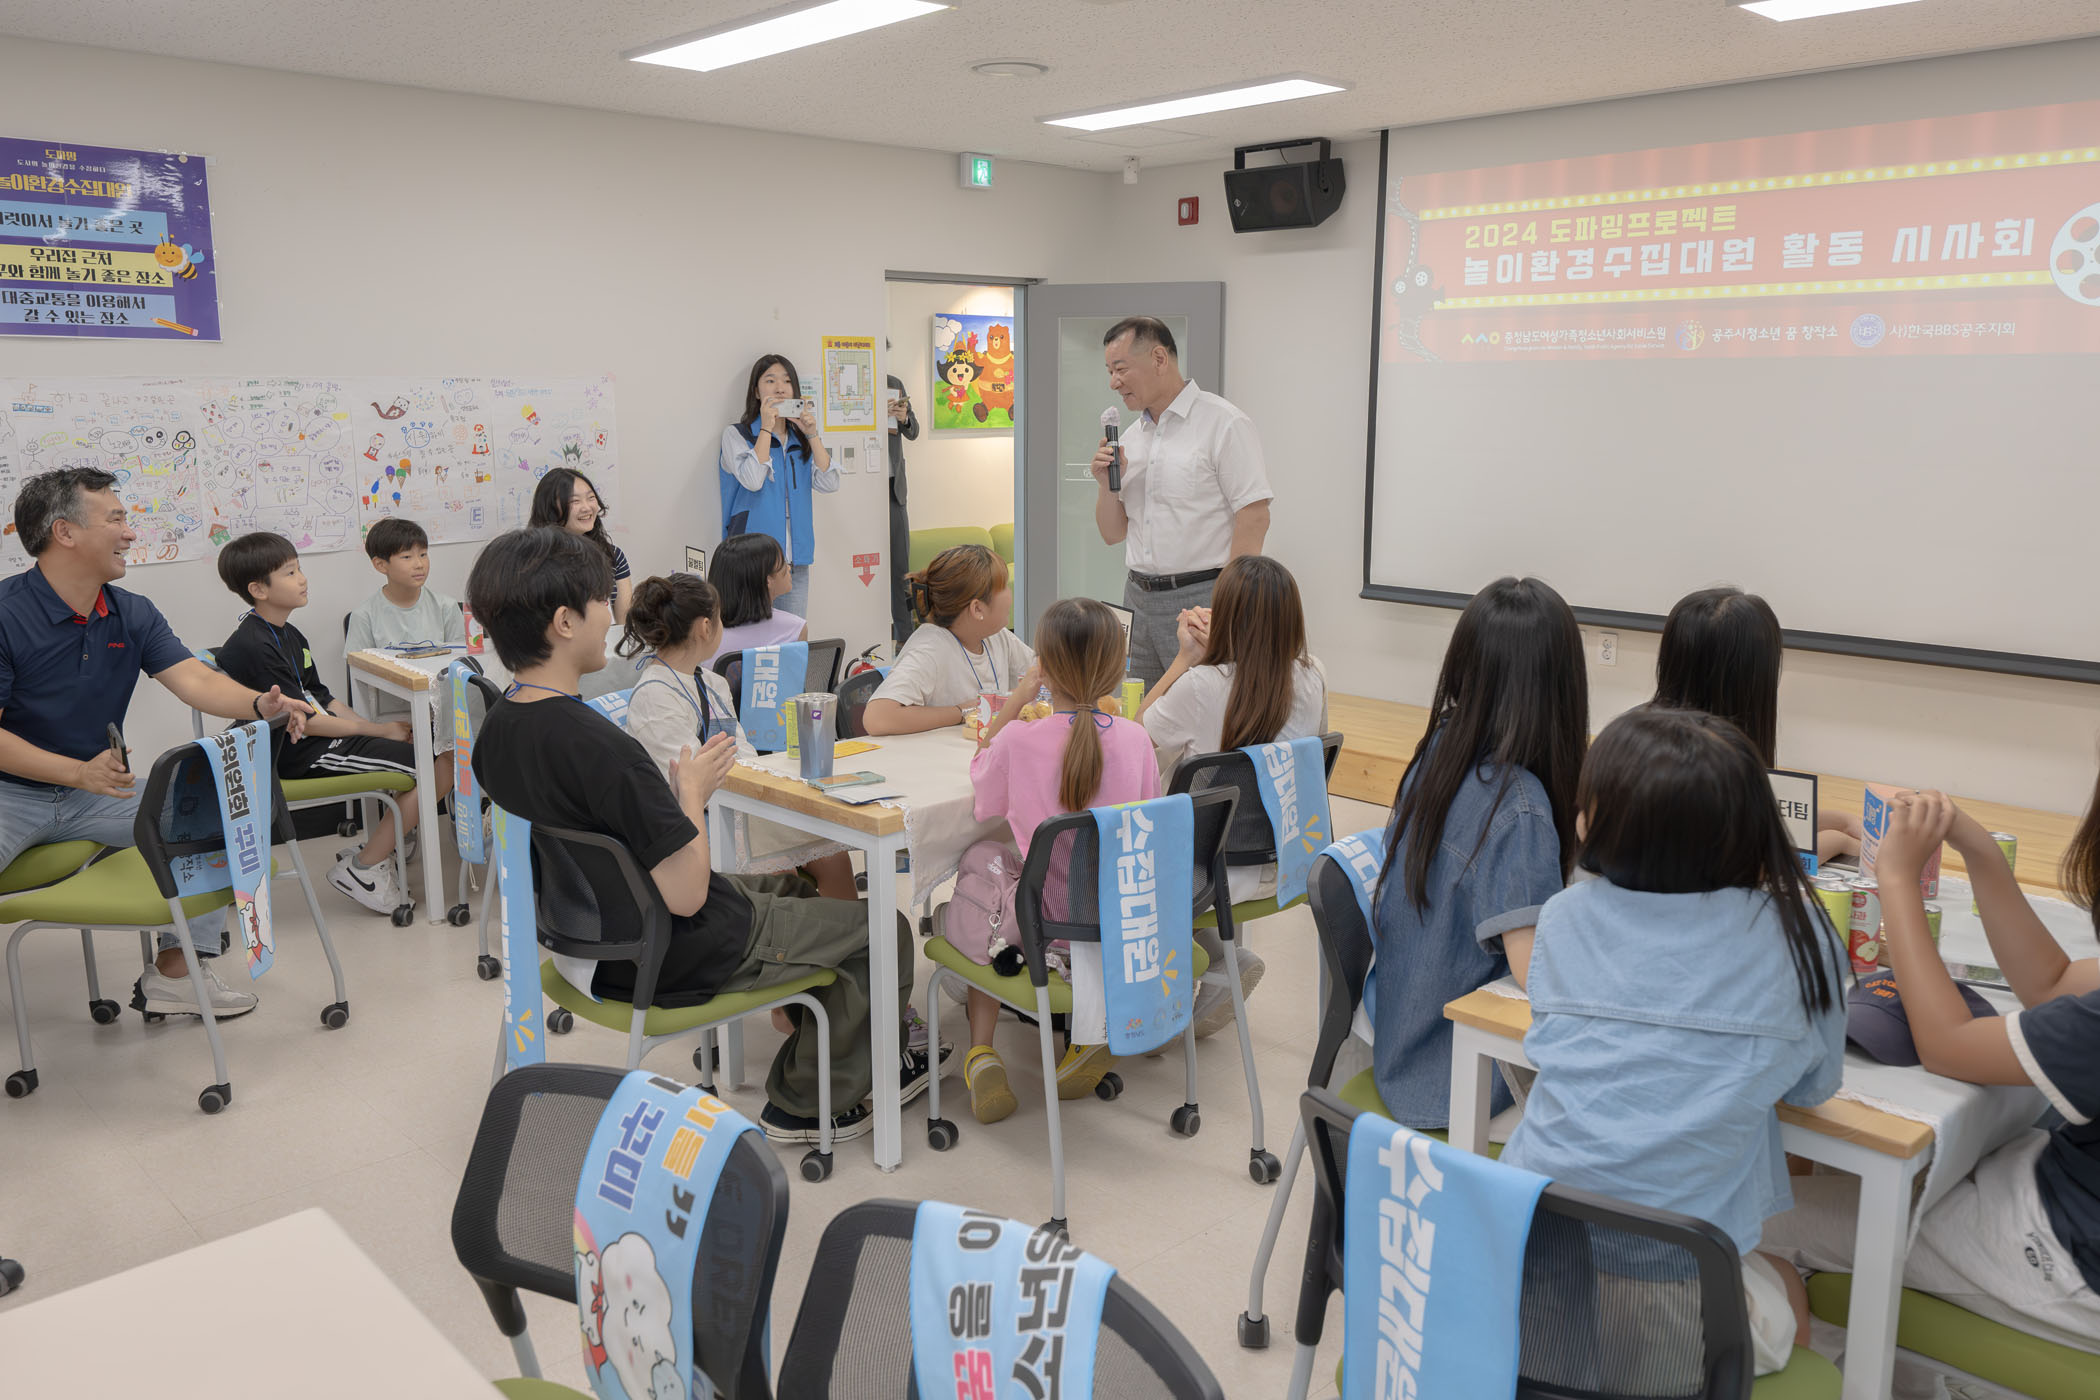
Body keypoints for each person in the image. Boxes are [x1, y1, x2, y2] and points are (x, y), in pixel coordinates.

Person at [465, 527, 934, 1145]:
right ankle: (806, 1102)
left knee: (796, 892)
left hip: (584, 941)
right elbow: (687, 895)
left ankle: (824, 1037)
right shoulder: (609, 755)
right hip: (665, 950)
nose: (612, 616)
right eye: (602, 601)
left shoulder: (497, 729)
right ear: (565, 622)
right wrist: (690, 793)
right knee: (884, 931)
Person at [1497, 706, 1847, 1380]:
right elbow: (1813, 1089)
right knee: (1787, 1285)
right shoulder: (1802, 938)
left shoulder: (1564, 918)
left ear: (1597, 827)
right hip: (1670, 1297)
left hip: (1528, 1265)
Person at [1761, 782, 2100, 1373]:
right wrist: (1978, 847)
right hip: (2062, 1195)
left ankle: (1846, 1373)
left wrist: (1896, 880)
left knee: (1754, 1222)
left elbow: (1948, 1046)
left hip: (2065, 1255)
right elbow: (2052, 984)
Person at [0, 468, 311, 1019]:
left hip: (95, 795)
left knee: (216, 816)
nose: (129, 532)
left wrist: (259, 704)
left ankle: (175, 974)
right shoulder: (6, 614)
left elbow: (194, 679)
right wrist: (77, 772)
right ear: (64, 532)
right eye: (115, 519)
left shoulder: (131, 612)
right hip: (11, 795)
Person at [1370, 576, 1588, 1127]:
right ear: (1561, 688)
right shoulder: (1520, 808)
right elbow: (1534, 976)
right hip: (1456, 1078)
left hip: (1400, 1037)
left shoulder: (1440, 749)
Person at [962, 597, 1158, 1123]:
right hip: (1119, 922)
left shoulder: (1019, 739)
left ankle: (981, 1051)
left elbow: (982, 787)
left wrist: (1015, 701)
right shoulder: (1137, 740)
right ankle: (1087, 1039)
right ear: (1117, 669)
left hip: (1042, 928)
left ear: (1043, 667)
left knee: (979, 862)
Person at [1139, 553, 1328, 1036]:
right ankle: (1223, 958)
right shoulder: (1314, 676)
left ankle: (1183, 985)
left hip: (1206, 869)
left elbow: (1136, 738)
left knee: (1129, 850)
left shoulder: (1202, 685)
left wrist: (1185, 658)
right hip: (1286, 858)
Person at [214, 532, 427, 915]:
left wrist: (376, 730)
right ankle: (366, 867)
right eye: (290, 572)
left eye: (299, 569)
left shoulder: (289, 634)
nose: (302, 579)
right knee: (428, 766)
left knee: (428, 750)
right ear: (258, 589)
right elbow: (306, 723)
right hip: (294, 754)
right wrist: (379, 730)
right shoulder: (253, 645)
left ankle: (375, 849)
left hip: (318, 741)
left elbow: (324, 700)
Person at [620, 573, 855, 902]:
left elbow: (742, 754)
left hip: (737, 803)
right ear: (705, 627)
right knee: (781, 872)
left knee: (834, 854)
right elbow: (692, 786)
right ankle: (817, 929)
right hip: (696, 825)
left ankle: (853, 933)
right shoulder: (654, 697)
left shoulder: (712, 683)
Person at [1087, 316, 1272, 688]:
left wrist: (1228, 604)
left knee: (1203, 707)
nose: (1113, 383)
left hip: (1203, 598)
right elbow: (1112, 533)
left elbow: (1254, 516)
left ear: (1159, 358)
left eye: (1120, 369)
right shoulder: (1131, 437)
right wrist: (1106, 486)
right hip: (1137, 599)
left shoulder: (1224, 423)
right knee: (1140, 707)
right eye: (1109, 371)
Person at [1652, 586, 1861, 862]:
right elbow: (1749, 863)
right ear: (1752, 679)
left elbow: (1757, 821)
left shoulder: (1647, 736)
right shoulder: (1703, 765)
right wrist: (1840, 840)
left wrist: (1844, 821)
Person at [863, 544, 1034, 736]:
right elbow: (877, 718)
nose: (1010, 593)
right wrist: (963, 711)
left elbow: (1043, 673)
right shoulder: (931, 648)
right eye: (1003, 587)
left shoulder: (996, 636)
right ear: (977, 609)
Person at [719, 353, 840, 622]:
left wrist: (812, 434)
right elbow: (753, 480)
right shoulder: (737, 435)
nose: (780, 388)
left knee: (792, 637)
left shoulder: (800, 440)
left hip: (793, 562)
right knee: (752, 639)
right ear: (756, 392)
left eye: (787, 381)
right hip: (750, 560)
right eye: (770, 381)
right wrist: (766, 429)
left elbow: (830, 482)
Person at [344, 515, 466, 768]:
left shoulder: (445, 607)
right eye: (407, 557)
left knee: (461, 753)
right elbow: (359, 677)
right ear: (380, 564)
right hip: (390, 720)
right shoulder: (365, 615)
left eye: (423, 554)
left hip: (441, 717)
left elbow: (460, 666)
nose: (419, 564)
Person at [529, 467, 630, 623]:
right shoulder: (534, 561)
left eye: (591, 497)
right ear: (550, 508)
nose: (587, 507)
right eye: (574, 501)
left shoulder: (613, 556)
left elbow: (625, 624)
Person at [706, 532, 806, 664]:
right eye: (783, 563)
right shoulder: (795, 629)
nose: (788, 568)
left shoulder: (704, 629)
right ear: (767, 581)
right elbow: (795, 676)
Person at [885, 357, 919, 648]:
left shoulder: (893, 384)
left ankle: (905, 637)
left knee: (900, 567)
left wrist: (903, 417)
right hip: (859, 490)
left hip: (893, 489)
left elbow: (913, 430)